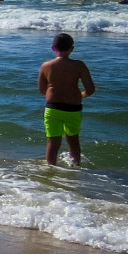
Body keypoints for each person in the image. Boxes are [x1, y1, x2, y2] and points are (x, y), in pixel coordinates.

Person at [38, 33, 95, 166]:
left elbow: (42, 90)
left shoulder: (46, 66)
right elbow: (90, 90)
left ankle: (51, 168)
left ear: (53, 48)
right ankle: (76, 167)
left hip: (53, 108)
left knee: (53, 141)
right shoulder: (79, 65)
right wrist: (81, 95)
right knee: (73, 140)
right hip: (73, 109)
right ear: (72, 48)